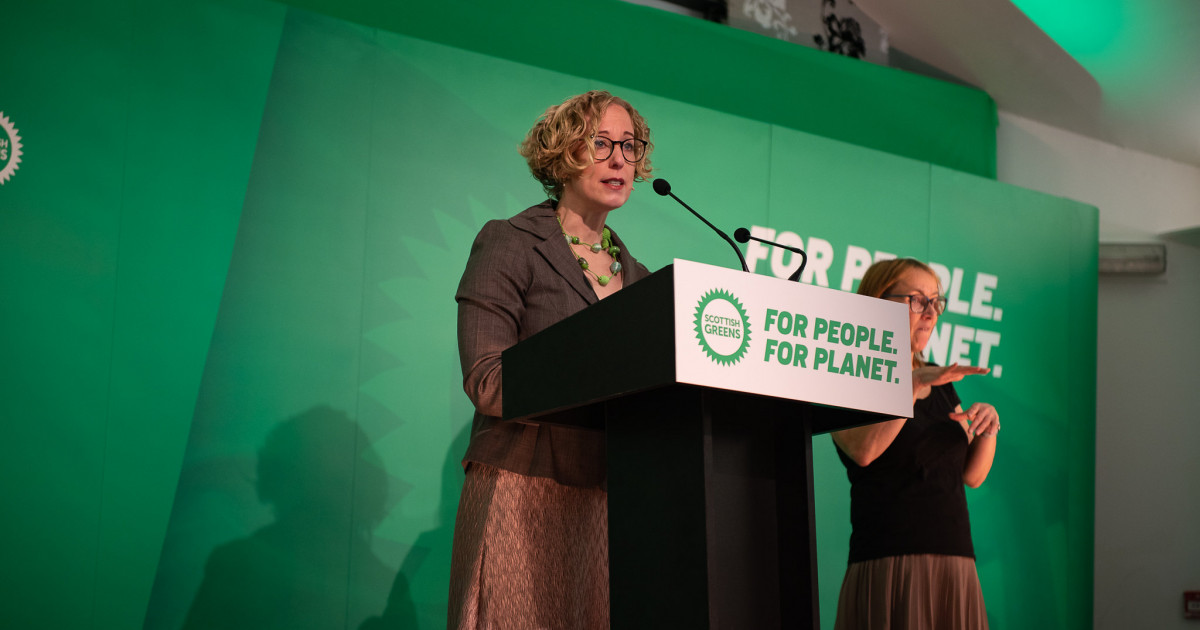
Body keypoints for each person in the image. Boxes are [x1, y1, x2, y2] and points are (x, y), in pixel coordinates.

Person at [447, 90, 654, 630]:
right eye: (600, 143)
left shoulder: (648, 286)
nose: (618, 160)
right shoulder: (510, 243)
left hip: (614, 499)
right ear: (563, 153)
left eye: (628, 146)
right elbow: (488, 381)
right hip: (522, 485)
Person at [830, 257, 1000, 630]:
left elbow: (970, 476)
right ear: (877, 301)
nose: (929, 312)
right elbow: (864, 452)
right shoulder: (848, 374)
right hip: (891, 561)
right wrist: (912, 384)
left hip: (955, 559)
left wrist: (989, 428)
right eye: (916, 300)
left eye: (935, 301)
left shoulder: (939, 382)